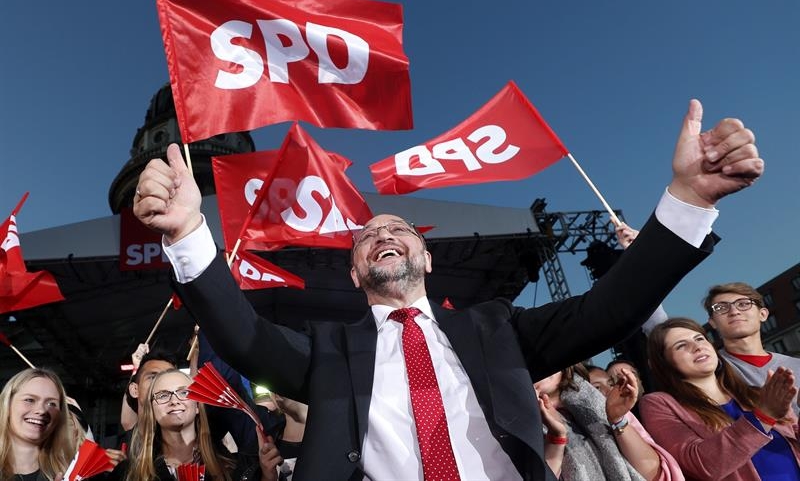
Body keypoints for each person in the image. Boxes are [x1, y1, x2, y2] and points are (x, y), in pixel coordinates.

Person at [133, 99, 763, 480]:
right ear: (354, 274)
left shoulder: (499, 329)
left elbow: (609, 309)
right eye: (366, 236)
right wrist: (189, 230)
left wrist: (689, 201)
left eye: (398, 229)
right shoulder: (328, 351)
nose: (383, 234)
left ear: (425, 257)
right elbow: (243, 336)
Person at [640, 317, 800, 480]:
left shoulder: (760, 395)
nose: (697, 347)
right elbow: (702, 466)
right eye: (681, 345)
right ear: (662, 362)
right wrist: (763, 417)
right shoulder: (659, 403)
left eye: (700, 338)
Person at [110, 369, 281, 481]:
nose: (174, 401)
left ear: (198, 406)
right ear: (151, 409)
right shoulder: (128, 474)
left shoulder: (233, 468)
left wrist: (268, 476)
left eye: (184, 392)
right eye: (163, 395)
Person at [535, 363, 682, 480]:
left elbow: (655, 474)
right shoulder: (518, 421)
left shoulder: (603, 403)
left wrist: (617, 420)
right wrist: (556, 440)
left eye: (538, 356)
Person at [704, 282, 800, 413]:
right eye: (721, 308)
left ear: (763, 314)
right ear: (713, 323)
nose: (734, 311)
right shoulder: (710, 369)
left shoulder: (797, 365)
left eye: (743, 304)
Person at [0, 368, 73, 481]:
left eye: (51, 403)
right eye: (29, 400)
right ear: (7, 405)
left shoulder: (71, 473)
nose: (42, 410)